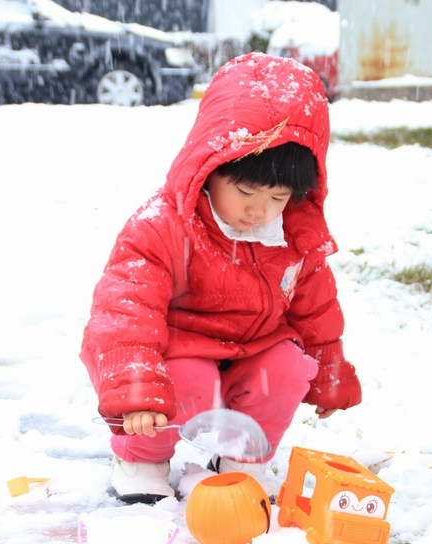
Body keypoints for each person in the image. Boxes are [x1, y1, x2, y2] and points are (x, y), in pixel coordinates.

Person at [80, 52, 361, 504]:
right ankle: (141, 458)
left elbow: (316, 309)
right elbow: (125, 310)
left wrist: (328, 371)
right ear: (209, 170)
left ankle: (241, 461)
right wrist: (137, 388)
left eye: (278, 196)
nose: (260, 211)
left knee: (287, 368)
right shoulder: (162, 227)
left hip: (253, 350)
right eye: (246, 192)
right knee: (186, 378)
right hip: (180, 353)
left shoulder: (294, 234)